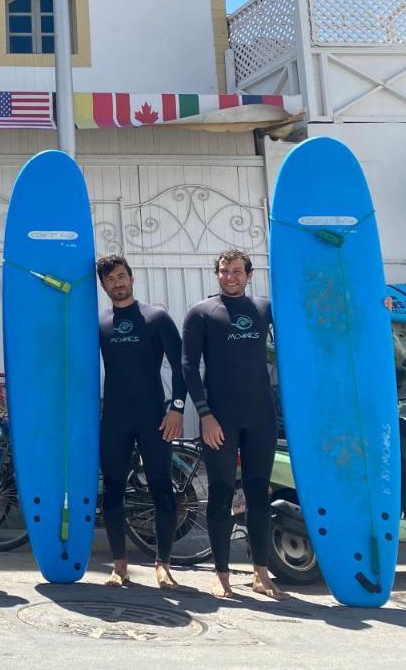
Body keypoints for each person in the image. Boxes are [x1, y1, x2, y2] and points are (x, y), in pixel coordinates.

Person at [183, 248, 286, 599]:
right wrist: (205, 414)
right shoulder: (202, 313)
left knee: (258, 494)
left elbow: (307, 325)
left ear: (249, 274)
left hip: (260, 417)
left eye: (237, 271)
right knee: (222, 493)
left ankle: (261, 574)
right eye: (224, 271)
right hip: (220, 421)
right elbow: (188, 367)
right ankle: (222, 575)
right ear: (217, 274)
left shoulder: (264, 308)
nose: (231, 276)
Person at [95, 255, 184, 590]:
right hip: (115, 419)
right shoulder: (99, 322)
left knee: (161, 488)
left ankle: (164, 564)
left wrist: (177, 408)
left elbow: (181, 365)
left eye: (121, 276)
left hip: (153, 417)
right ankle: (120, 565)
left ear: (131, 278)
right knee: (113, 490)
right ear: (103, 286)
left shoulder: (156, 317)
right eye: (110, 280)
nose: (117, 283)